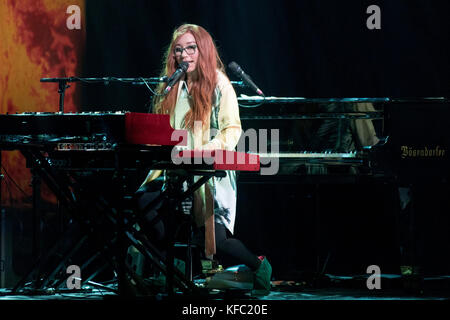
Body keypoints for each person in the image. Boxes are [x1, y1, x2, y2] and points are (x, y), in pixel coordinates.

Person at [136, 24, 271, 294]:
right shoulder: (172, 87)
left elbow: (231, 129)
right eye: (178, 50)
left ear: (203, 50)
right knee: (145, 202)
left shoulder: (220, 84)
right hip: (174, 168)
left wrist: (204, 151)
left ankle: (260, 267)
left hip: (210, 171)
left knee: (216, 239)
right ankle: (172, 270)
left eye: (190, 48)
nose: (184, 55)